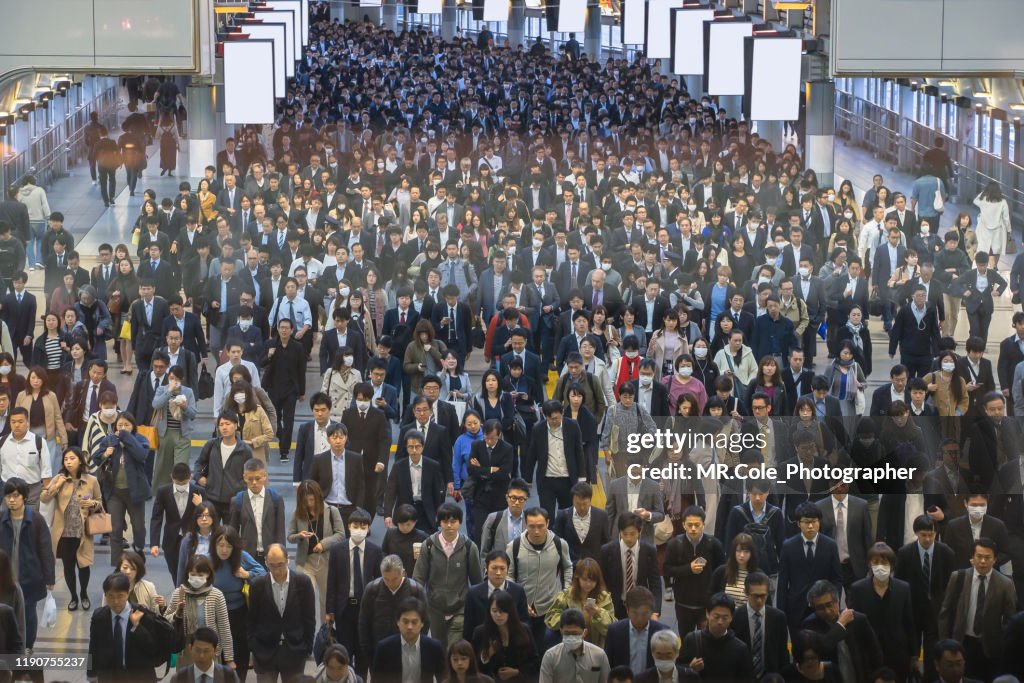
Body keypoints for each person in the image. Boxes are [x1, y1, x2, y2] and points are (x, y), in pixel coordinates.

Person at [938, 537, 1018, 681]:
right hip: (961, 643)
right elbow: (945, 612)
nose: (982, 561)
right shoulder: (959, 577)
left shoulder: (1005, 584)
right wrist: (945, 643)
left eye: (987, 557)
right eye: (979, 556)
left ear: (994, 560)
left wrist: (1002, 645)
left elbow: (1010, 618)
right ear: (972, 558)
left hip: (990, 649)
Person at [40, 446, 101, 611]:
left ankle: (84, 594)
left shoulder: (92, 480)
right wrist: (56, 485)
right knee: (68, 566)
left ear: (80, 460)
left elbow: (100, 502)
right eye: (66, 459)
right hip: (64, 531)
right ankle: (73, 596)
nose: (69, 462)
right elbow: (44, 497)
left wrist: (93, 504)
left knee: (84, 564)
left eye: (72, 458)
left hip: (83, 530)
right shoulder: (59, 478)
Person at [413, 503, 483, 647]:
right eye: (445, 522)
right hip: (435, 608)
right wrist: (418, 604)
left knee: (454, 649)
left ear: (460, 522)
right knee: (439, 648)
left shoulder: (469, 547)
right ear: (439, 523)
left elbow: (477, 581)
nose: (449, 525)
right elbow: (419, 577)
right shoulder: (428, 545)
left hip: (460, 608)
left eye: (453, 521)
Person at [247, 544, 316, 683]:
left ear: (287, 559)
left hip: (295, 651)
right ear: (266, 562)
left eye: (280, 564)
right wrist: (253, 646)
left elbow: (309, 618)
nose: (277, 570)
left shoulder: (303, 582)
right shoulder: (257, 585)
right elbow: (251, 619)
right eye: (272, 565)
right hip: (265, 651)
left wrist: (307, 648)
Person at [326, 507, 382, 677]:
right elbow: (332, 581)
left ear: (368, 529)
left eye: (363, 527)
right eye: (356, 526)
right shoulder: (337, 549)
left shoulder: (375, 550)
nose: (359, 530)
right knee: (344, 654)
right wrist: (330, 610)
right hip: (344, 609)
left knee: (363, 655)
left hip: (365, 610)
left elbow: (379, 582)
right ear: (349, 526)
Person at [0, 478, 53, 652]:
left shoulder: (36, 520)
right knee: (5, 613)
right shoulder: (1, 519)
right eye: (8, 496)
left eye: (15, 496)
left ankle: (28, 646)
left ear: (24, 497)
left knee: (28, 615)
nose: (12, 500)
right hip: (5, 578)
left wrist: (49, 577)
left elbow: (45, 550)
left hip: (29, 577)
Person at [93, 411, 152, 566]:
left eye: (127, 424)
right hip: (114, 493)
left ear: (133, 426)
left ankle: (138, 550)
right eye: (120, 425)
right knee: (115, 528)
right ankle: (117, 564)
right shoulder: (109, 440)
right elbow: (96, 458)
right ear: (115, 426)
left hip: (135, 492)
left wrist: (127, 438)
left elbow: (142, 455)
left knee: (138, 528)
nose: (123, 428)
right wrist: (106, 453)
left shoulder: (140, 439)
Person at [210, 525, 266, 683]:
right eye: (220, 545)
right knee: (218, 653)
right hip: (215, 613)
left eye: (229, 546)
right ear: (214, 545)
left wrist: (246, 574)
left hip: (239, 613)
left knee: (240, 652)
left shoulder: (242, 556)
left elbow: (263, 573)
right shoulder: (207, 559)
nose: (224, 550)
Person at [87, 572, 166, 683]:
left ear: (127, 593)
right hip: (109, 676)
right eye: (110, 596)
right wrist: (91, 674)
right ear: (105, 595)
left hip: (139, 677)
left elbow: (152, 648)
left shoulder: (142, 613)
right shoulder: (99, 617)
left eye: (120, 596)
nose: (115, 601)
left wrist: (137, 627)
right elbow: (93, 647)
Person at [777, 503, 843, 631]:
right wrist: (781, 612)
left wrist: (832, 603)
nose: (811, 526)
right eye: (806, 522)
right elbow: (783, 582)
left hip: (824, 608)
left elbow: (837, 578)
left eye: (814, 521)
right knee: (798, 647)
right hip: (796, 608)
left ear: (819, 522)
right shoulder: (788, 546)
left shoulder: (830, 545)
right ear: (798, 523)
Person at [802, 579, 884, 682]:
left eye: (829, 605)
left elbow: (875, 651)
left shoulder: (858, 619)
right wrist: (840, 624)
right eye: (820, 608)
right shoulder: (810, 624)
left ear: (837, 601)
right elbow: (823, 648)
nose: (827, 611)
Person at [663, 505, 726, 635]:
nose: (693, 529)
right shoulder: (675, 544)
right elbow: (667, 570)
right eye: (689, 524)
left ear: (703, 524)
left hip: (707, 604)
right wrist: (688, 569)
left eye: (697, 525)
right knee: (686, 641)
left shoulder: (714, 544)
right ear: (683, 525)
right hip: (683, 603)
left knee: (707, 642)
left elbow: (722, 572)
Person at [289, 479, 345, 624]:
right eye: (305, 500)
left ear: (318, 497)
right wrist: (299, 536)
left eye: (312, 499)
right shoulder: (297, 513)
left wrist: (323, 544)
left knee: (325, 600)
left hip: (325, 561)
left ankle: (326, 631)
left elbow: (340, 534)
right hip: (305, 561)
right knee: (309, 594)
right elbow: (290, 537)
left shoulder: (332, 511)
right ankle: (309, 628)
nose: (309, 503)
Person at [166, 554, 235, 669]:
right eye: (192, 574)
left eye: (200, 575)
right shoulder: (179, 593)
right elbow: (166, 620)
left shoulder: (216, 595)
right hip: (186, 651)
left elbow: (224, 628)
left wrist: (229, 658)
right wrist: (177, 613)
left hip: (210, 649)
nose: (196, 578)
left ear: (208, 575)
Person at [523, 401, 587, 520]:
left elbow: (579, 452)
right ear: (545, 416)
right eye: (551, 419)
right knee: (548, 516)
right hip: (546, 480)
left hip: (568, 480)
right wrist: (527, 479)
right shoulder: (538, 429)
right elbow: (532, 455)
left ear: (562, 413)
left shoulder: (573, 426)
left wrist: (582, 477)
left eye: (557, 418)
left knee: (567, 516)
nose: (554, 421)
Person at [597, 512, 662, 622]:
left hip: (640, 606)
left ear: (640, 532)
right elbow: (601, 580)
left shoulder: (649, 551)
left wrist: (655, 611)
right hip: (614, 606)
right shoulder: (607, 551)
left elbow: (655, 583)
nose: (628, 538)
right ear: (620, 532)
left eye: (633, 534)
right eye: (625, 533)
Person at [149, 462, 205, 584]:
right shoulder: (163, 491)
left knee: (192, 573)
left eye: (184, 483)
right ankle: (179, 598)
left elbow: (208, 517)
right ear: (171, 477)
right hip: (171, 541)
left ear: (190, 477)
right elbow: (156, 518)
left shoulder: (199, 492)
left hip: (192, 539)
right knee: (176, 575)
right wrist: (154, 543)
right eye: (178, 483)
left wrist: (200, 505)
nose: (181, 486)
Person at [382, 429, 447, 533]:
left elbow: (438, 492)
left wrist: (438, 513)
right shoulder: (398, 466)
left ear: (423, 447)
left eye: (417, 446)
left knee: (427, 544)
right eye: (411, 447)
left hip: (426, 512)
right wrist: (388, 514)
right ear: (406, 448)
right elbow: (390, 492)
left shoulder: (433, 466)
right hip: (405, 511)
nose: (414, 450)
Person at [678, 592, 754, 680]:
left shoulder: (740, 648)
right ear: (707, 614)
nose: (720, 622)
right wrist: (690, 669)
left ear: (731, 618)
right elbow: (678, 670)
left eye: (725, 618)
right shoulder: (692, 640)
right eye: (716, 617)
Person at [262, 317, 307, 463]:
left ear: (292, 330)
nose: (284, 330)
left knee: (289, 421)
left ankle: (284, 450)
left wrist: (301, 392)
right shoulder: (270, 344)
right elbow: (261, 363)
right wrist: (269, 355)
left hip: (291, 390)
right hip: (273, 388)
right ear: (278, 329)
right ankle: (282, 437)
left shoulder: (298, 347)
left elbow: (301, 370)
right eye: (281, 327)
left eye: (287, 328)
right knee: (274, 419)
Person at [369, 598, 446, 683]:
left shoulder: (434, 647)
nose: (410, 627)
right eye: (405, 622)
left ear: (422, 623)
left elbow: (443, 679)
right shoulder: (384, 647)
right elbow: (376, 680)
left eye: (414, 622)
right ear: (398, 622)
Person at [470, 589, 538, 683]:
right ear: (489, 611)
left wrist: (517, 672)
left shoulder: (523, 630)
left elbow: (535, 662)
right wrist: (487, 656)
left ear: (510, 611)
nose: (498, 615)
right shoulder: (480, 632)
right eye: (494, 611)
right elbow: (473, 666)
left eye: (502, 611)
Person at [544, 556, 615, 647]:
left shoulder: (604, 598)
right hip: (569, 641)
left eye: (592, 581)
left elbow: (612, 627)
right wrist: (571, 618)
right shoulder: (566, 595)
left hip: (596, 644)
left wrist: (598, 613)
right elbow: (550, 618)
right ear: (578, 578)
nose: (588, 584)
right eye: (584, 580)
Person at [194, 412, 252, 521]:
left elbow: (250, 475)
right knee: (212, 534)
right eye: (221, 425)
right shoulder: (211, 445)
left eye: (227, 424)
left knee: (230, 535)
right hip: (211, 498)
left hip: (233, 502)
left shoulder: (245, 450)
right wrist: (198, 477)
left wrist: (240, 489)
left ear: (235, 426)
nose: (224, 427)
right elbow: (199, 463)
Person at [228, 458, 286, 565]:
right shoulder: (237, 501)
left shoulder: (276, 499)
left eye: (257, 478)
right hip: (247, 556)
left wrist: (282, 554)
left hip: (271, 555)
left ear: (264, 476)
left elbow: (280, 531)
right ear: (244, 477)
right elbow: (233, 531)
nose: (254, 483)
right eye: (250, 479)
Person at [151, 365, 196, 488]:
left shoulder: (188, 392)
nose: (173, 381)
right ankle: (161, 494)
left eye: (177, 379)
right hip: (165, 433)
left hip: (182, 434)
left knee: (181, 467)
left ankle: (180, 491)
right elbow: (156, 404)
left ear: (182, 379)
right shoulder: (162, 389)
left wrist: (184, 407)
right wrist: (168, 392)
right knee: (163, 467)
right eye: (171, 378)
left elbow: (192, 414)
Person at [0, 407, 50, 510]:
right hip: (8, 490)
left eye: (20, 421)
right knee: (6, 523)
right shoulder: (2, 442)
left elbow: (46, 471)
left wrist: (46, 493)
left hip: (31, 492)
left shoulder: (39, 442)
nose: (16, 425)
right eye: (13, 422)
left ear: (27, 422)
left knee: (30, 522)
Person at [553, 481, 611, 563]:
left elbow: (606, 542)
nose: (582, 507)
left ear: (590, 500)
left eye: (585, 504)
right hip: (570, 565)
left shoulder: (602, 515)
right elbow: (558, 542)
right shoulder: (562, 515)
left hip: (594, 566)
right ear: (572, 500)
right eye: (578, 504)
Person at [171, 627, 241, 683]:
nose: (201, 655)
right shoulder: (180, 677)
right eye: (198, 650)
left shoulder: (228, 676)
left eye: (206, 651)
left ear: (215, 650)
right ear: (190, 648)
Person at [973, 181, 1012, 269]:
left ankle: (988, 268)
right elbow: (1006, 218)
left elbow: (975, 200)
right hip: (998, 231)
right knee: (996, 250)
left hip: (984, 230)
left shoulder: (983, 200)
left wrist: (983, 192)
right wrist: (1009, 230)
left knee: (985, 250)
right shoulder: (1003, 202)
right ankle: (994, 267)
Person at [117, 550, 165, 614]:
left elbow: (156, 614)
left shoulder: (148, 587)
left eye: (133, 569)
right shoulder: (111, 586)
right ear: (119, 568)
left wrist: (161, 606)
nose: (128, 572)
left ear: (138, 571)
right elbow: (105, 613)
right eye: (125, 567)